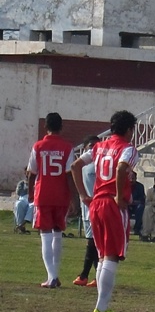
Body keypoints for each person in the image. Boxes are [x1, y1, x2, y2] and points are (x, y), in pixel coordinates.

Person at [71, 110, 140, 312]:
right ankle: (101, 309)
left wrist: (83, 194)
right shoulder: (128, 148)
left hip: (96, 203)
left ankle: (102, 307)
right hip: (112, 203)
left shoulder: (99, 146)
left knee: (102, 256)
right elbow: (120, 169)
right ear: (129, 130)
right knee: (112, 255)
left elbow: (75, 166)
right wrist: (120, 196)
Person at [27, 112, 76, 288]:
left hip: (44, 194)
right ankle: (54, 275)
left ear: (45, 127)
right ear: (61, 127)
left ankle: (52, 276)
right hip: (61, 195)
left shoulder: (38, 146)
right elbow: (70, 175)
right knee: (57, 233)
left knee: (45, 235)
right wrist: (73, 198)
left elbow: (31, 173)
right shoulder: (67, 147)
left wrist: (30, 194)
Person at [73, 136, 100, 287]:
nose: (93, 150)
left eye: (96, 146)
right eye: (90, 147)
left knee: (93, 242)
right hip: (86, 208)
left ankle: (84, 275)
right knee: (92, 242)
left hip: (98, 208)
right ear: (84, 149)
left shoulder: (100, 165)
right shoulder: (81, 166)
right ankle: (95, 276)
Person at [14, 167, 34, 234]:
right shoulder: (22, 183)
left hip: (32, 198)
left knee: (33, 205)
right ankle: (21, 226)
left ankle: (22, 224)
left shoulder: (37, 182)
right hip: (23, 198)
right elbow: (18, 192)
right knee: (19, 204)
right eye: (27, 172)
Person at [129, 171, 145, 236]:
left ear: (136, 178)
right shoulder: (123, 185)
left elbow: (142, 199)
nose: (131, 180)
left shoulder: (140, 186)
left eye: (133, 178)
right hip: (126, 205)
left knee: (141, 208)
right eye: (130, 178)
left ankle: (137, 229)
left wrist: (134, 202)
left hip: (136, 205)